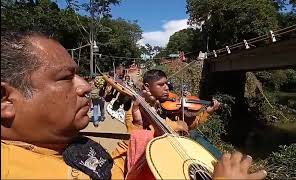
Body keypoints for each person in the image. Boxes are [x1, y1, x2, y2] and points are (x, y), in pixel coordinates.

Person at [1, 31, 267, 179]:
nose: (85, 86)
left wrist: (138, 133)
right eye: (66, 77)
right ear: (5, 101)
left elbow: (108, 170)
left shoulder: (64, 143)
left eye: (79, 74)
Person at [125, 69, 221, 135]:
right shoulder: (135, 110)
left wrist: (207, 112)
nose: (167, 88)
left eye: (166, 83)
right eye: (161, 84)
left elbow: (191, 125)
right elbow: (135, 138)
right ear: (147, 86)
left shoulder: (173, 105)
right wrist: (139, 121)